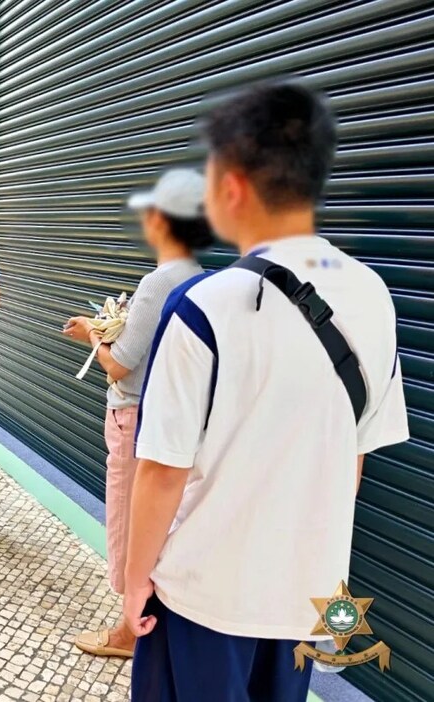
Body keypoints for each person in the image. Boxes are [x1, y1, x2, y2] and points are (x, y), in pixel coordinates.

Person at [123, 82, 409, 701]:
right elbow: (353, 459)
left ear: (231, 186)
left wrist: (133, 581)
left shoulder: (201, 304)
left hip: (203, 598)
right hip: (306, 599)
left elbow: (161, 472)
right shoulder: (374, 295)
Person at [62, 168, 211, 659]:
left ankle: (128, 632)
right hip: (181, 425)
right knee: (167, 525)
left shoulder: (159, 281)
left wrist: (92, 333)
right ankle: (157, 620)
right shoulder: (206, 280)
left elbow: (120, 368)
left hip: (135, 421)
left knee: (129, 525)